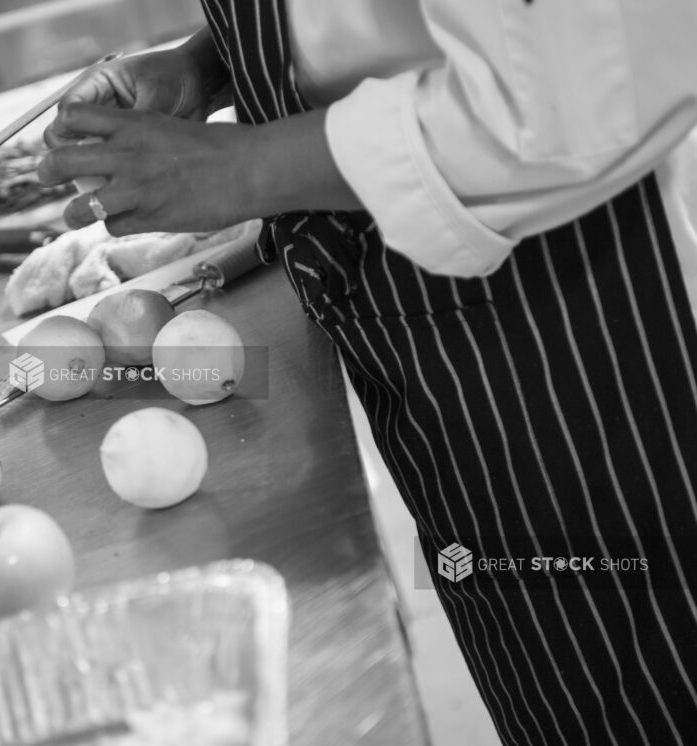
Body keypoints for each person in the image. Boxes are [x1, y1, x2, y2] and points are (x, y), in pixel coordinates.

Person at [37, 2, 697, 744]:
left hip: (587, 306)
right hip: (426, 335)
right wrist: (210, 62)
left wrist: (248, 168)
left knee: (652, 686)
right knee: (559, 685)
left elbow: (579, 81)